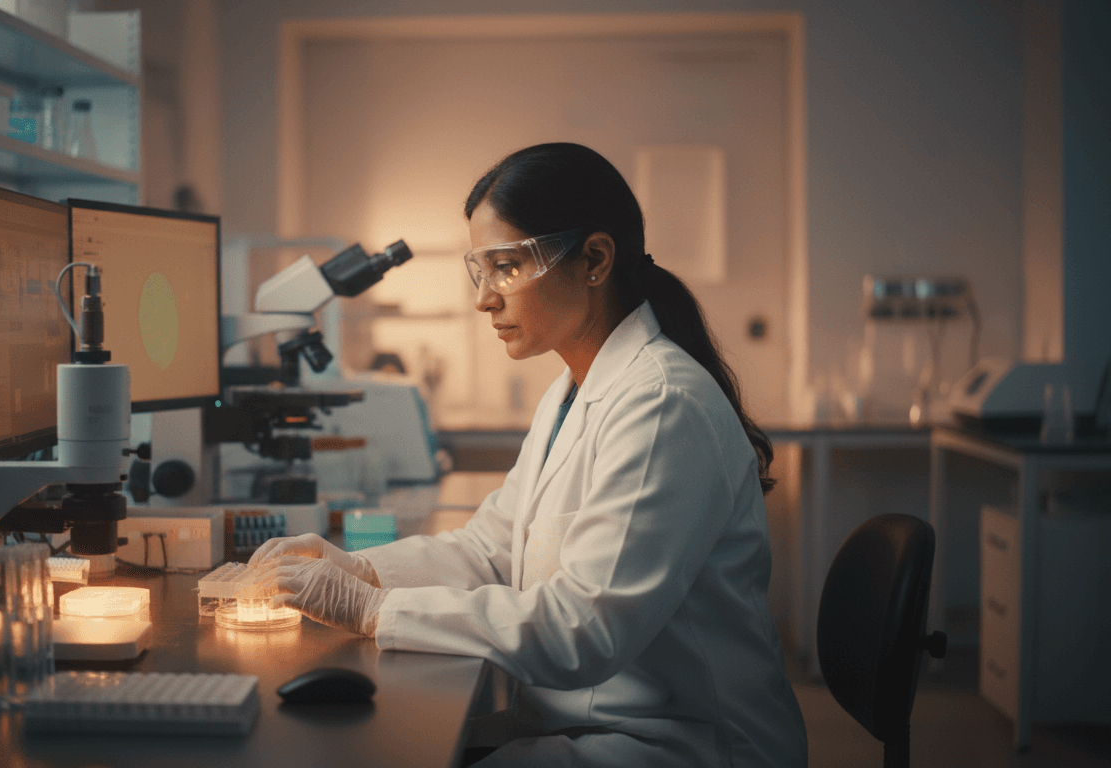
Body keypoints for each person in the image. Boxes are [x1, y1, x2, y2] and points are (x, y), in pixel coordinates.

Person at [251, 142, 808, 767]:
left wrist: (376, 611)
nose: (485, 297)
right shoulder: (573, 389)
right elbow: (491, 547)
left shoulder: (661, 404)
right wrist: (363, 571)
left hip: (679, 744)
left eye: (507, 267)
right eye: (479, 271)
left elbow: (585, 629)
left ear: (594, 259)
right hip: (593, 724)